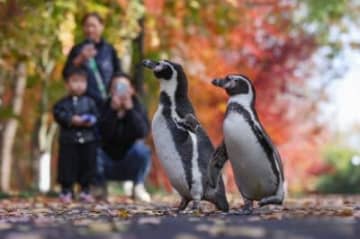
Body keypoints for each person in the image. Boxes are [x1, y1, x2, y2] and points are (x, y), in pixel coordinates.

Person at [98, 73, 152, 202]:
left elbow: (143, 132)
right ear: (111, 90)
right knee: (90, 150)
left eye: (124, 86)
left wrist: (130, 111)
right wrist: (112, 111)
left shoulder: (138, 106)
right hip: (107, 160)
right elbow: (101, 134)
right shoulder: (104, 106)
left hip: (129, 159)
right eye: (116, 86)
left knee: (143, 150)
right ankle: (99, 187)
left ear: (131, 89)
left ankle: (138, 186)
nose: (120, 90)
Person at [53, 68, 98, 203]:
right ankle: (66, 190)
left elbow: (97, 116)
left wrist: (90, 120)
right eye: (75, 81)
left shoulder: (90, 102)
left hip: (88, 139)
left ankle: (85, 190)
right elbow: (58, 114)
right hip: (69, 140)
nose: (79, 85)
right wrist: (71, 119)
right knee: (67, 166)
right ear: (67, 84)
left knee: (87, 165)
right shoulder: (62, 103)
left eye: (82, 82)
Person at [63, 12, 122, 109]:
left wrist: (118, 95)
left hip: (107, 102)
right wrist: (80, 58)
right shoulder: (77, 49)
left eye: (93, 26)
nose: (90, 30)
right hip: (83, 103)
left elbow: (119, 75)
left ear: (101, 26)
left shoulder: (109, 50)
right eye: (86, 26)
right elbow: (66, 74)